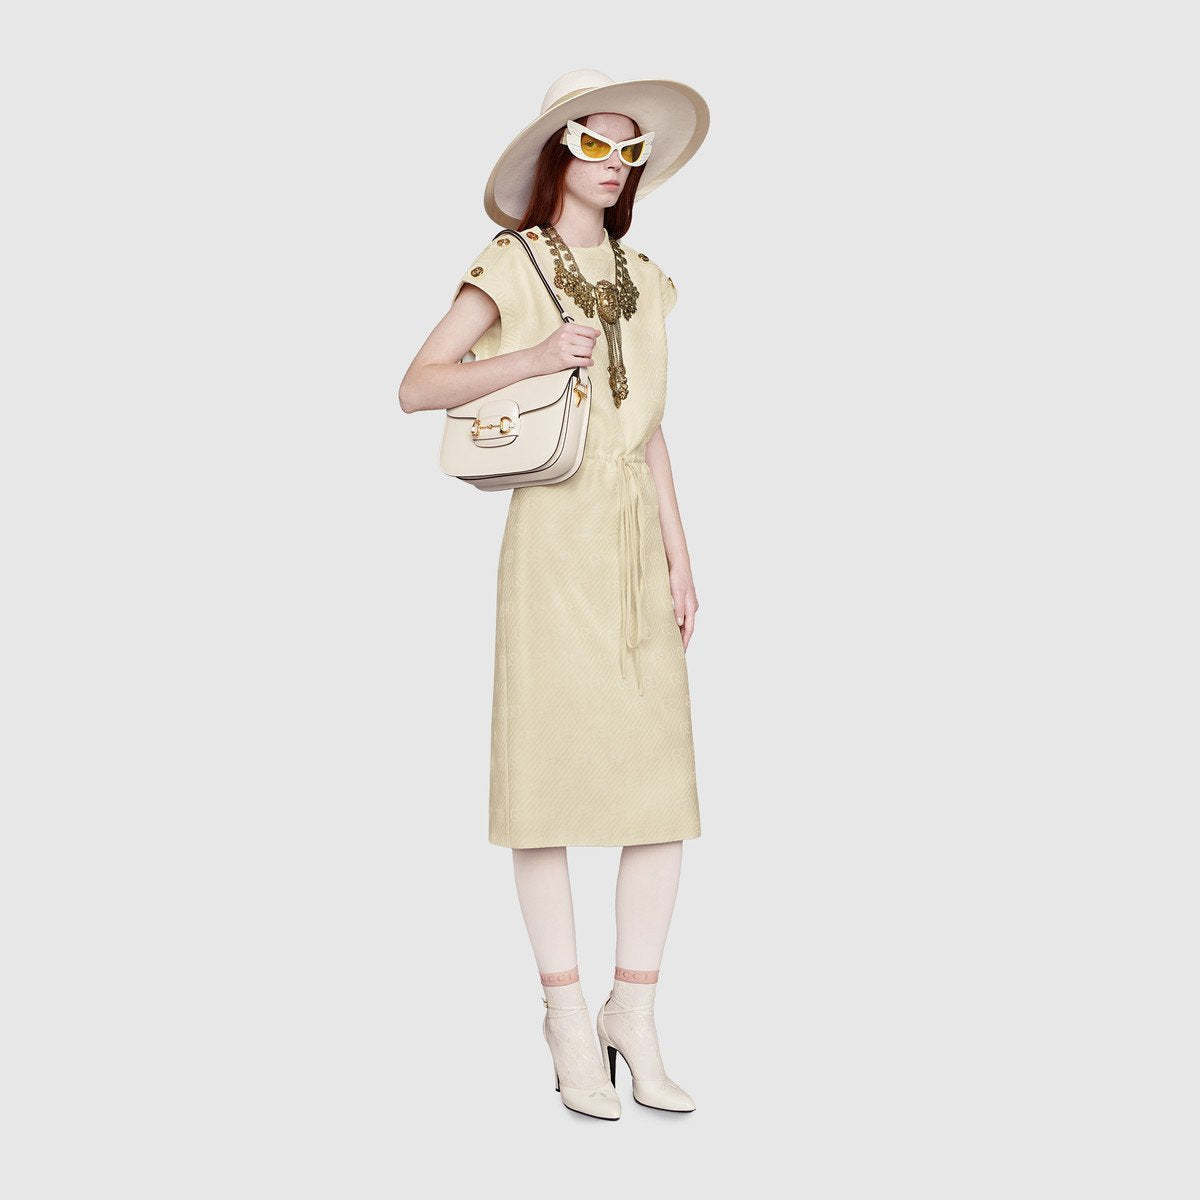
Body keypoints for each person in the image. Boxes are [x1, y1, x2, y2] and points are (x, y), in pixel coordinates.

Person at [398, 69, 710, 1120]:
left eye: (631, 149)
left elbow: (649, 428)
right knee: (546, 784)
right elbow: (417, 384)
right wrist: (532, 356)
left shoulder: (645, 278)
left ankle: (636, 1012)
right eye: (595, 143)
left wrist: (679, 554)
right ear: (557, 153)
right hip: (552, 542)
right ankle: (567, 1018)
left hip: (633, 544)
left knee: (661, 789)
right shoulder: (512, 263)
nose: (615, 163)